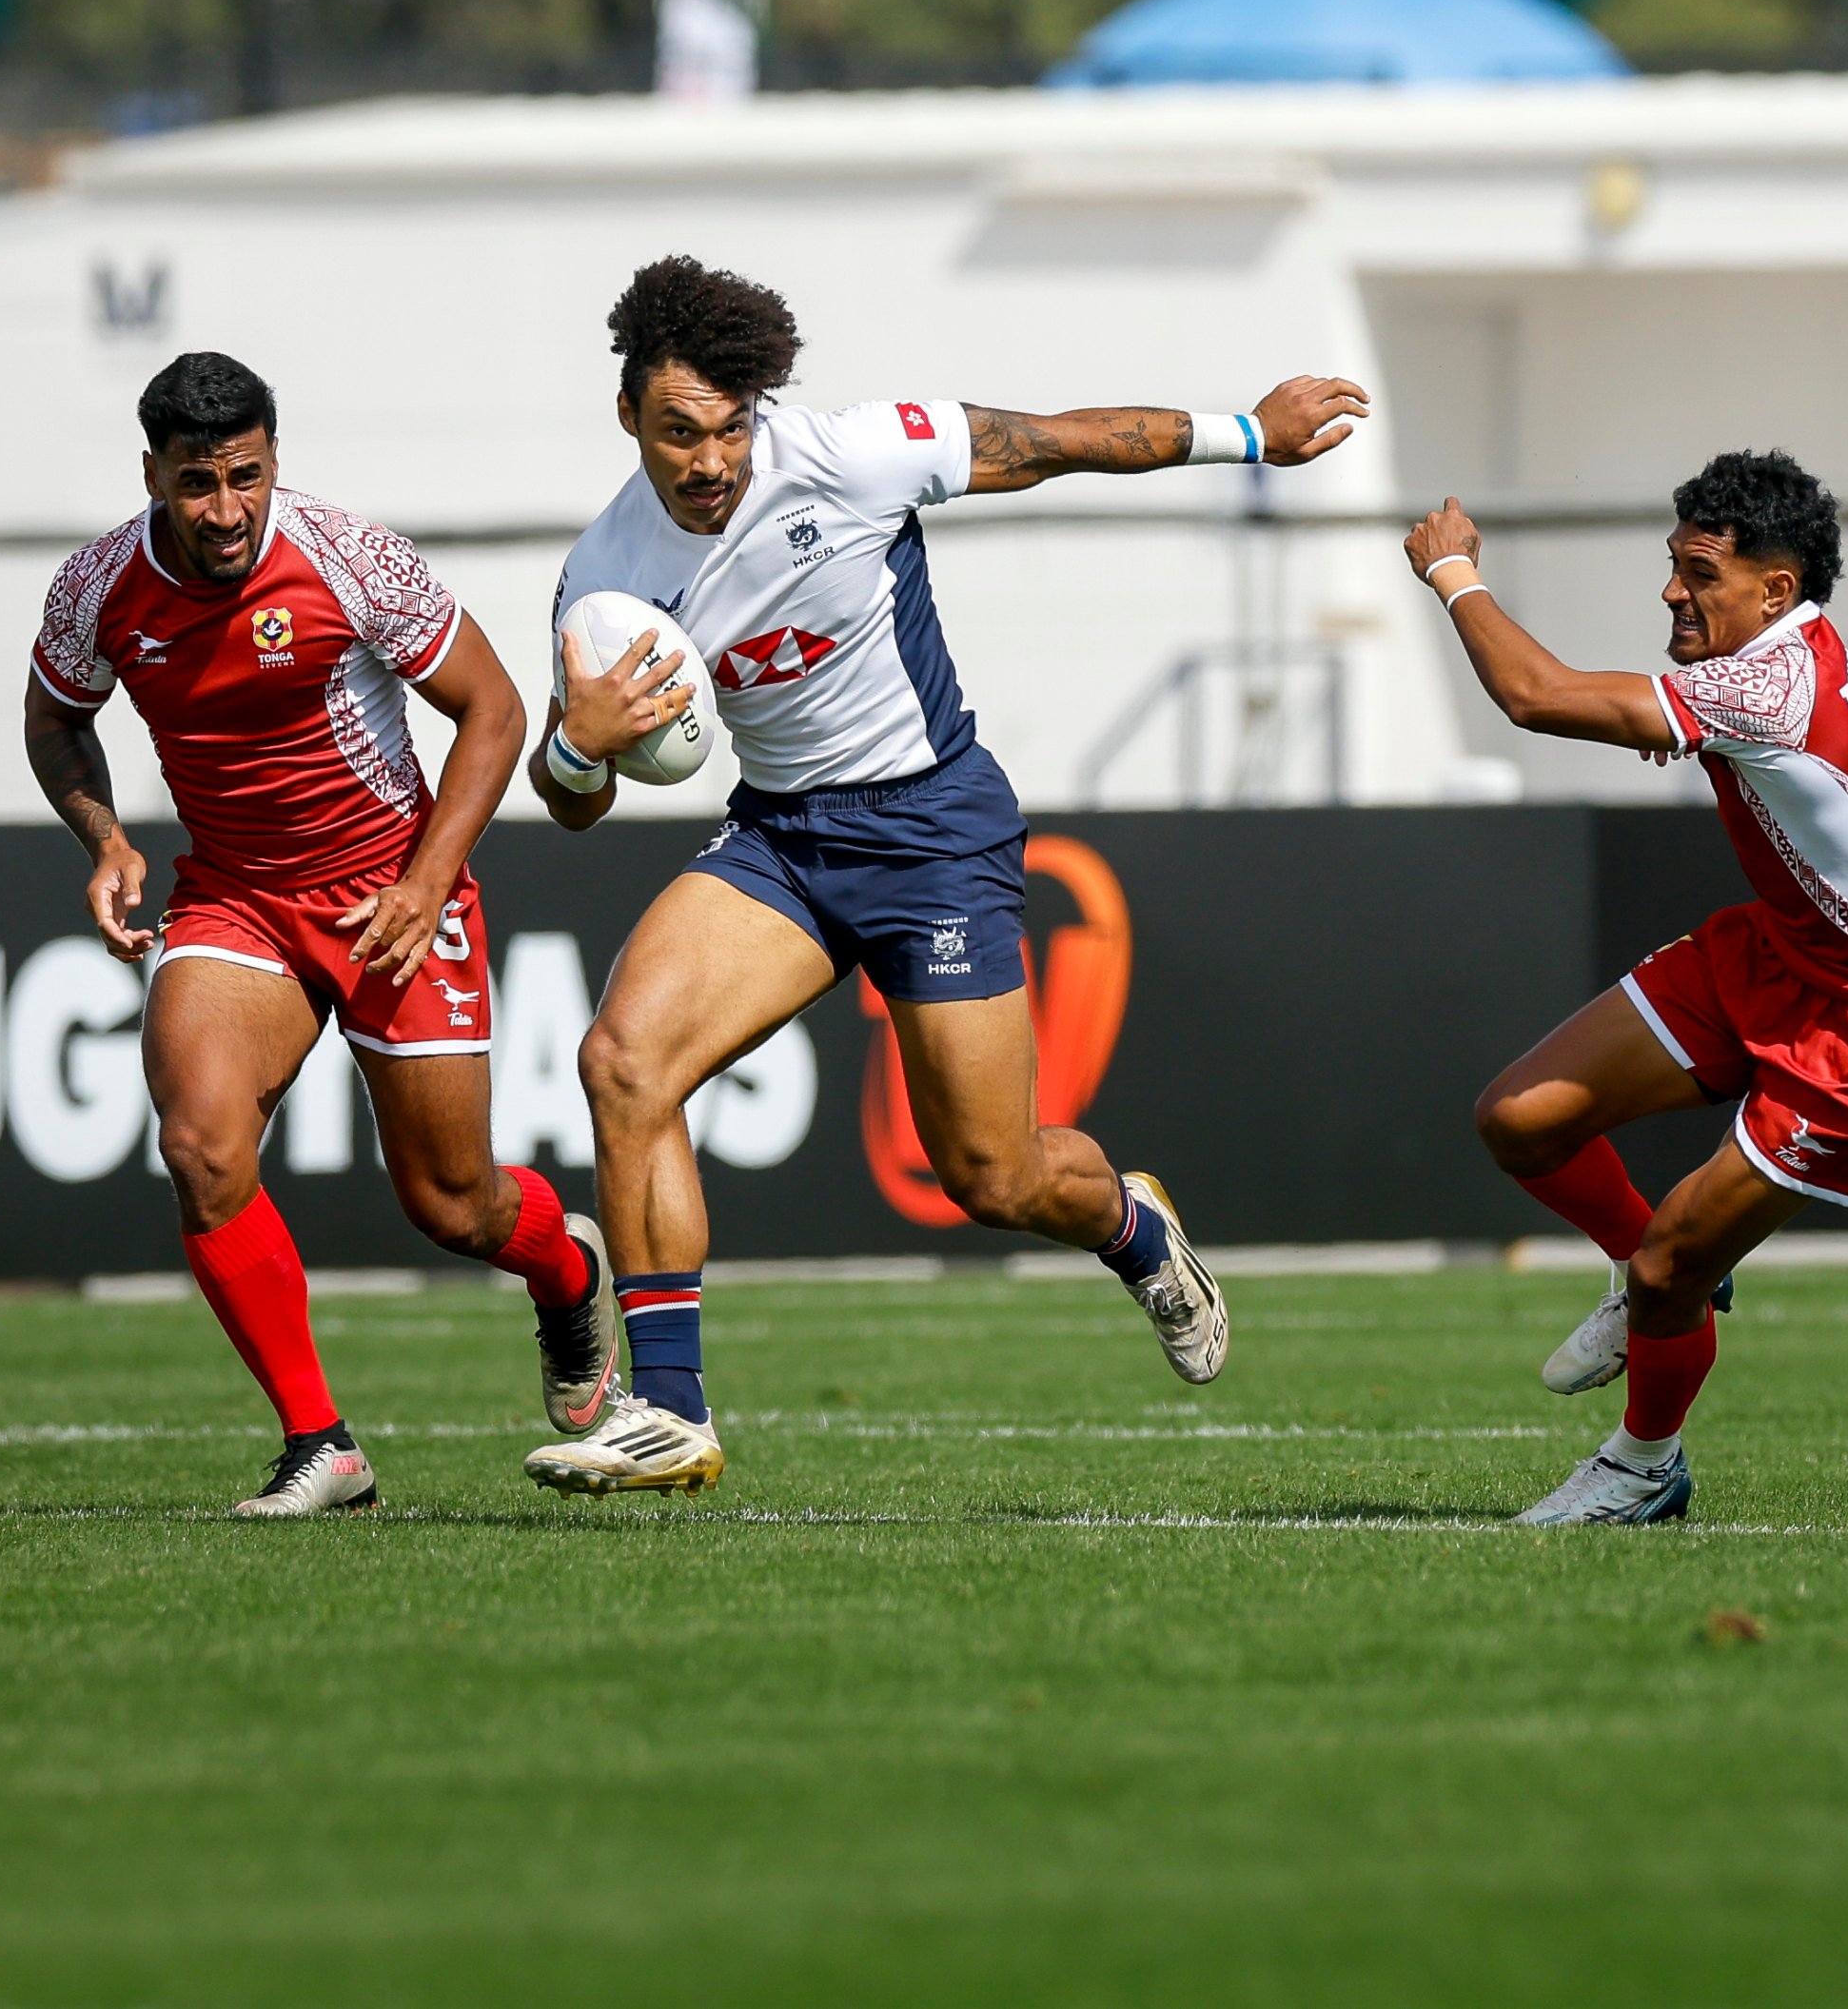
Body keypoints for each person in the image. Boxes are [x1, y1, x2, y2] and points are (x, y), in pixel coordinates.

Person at [518, 257, 1372, 1497]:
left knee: (993, 1173)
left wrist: (1250, 430)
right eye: (674, 433)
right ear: (627, 418)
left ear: (756, 407)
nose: (706, 461)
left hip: (931, 830)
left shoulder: (854, 454)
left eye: (724, 427)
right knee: (622, 1061)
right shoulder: (602, 579)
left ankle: (1132, 1224)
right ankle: (670, 1409)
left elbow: (1056, 442)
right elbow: (576, 803)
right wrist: (570, 745)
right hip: (783, 841)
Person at [25, 351, 614, 1519]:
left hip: (391, 895)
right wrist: (104, 840)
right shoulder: (96, 588)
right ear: (152, 475)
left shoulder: (350, 557)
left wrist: (424, 883)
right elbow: (55, 720)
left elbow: (492, 712)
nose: (226, 509)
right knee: (198, 1146)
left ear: (275, 459)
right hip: (235, 899)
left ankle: (567, 1268)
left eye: (245, 476)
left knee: (452, 1206)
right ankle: (321, 1445)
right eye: (197, 484)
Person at [1405, 451, 1848, 1526]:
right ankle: (1639, 1267)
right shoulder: (1778, 655)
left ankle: (1643, 1469)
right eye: (1674, 564)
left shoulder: (1767, 685)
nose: (1672, 591)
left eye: (1700, 572)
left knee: (1672, 1274)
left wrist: (1453, 573)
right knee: (1519, 1119)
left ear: (1775, 591)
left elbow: (1535, 697)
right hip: (1775, 953)